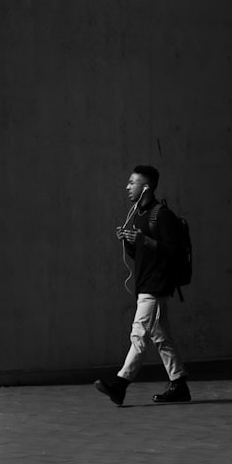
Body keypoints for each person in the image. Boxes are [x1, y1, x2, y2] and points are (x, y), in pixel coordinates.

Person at [95, 165, 191, 406]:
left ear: (145, 187)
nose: (127, 187)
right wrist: (128, 242)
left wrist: (145, 240)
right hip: (144, 283)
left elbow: (176, 252)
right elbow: (141, 255)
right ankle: (179, 385)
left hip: (156, 286)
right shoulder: (137, 213)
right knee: (161, 338)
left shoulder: (162, 215)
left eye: (132, 183)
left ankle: (120, 384)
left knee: (139, 334)